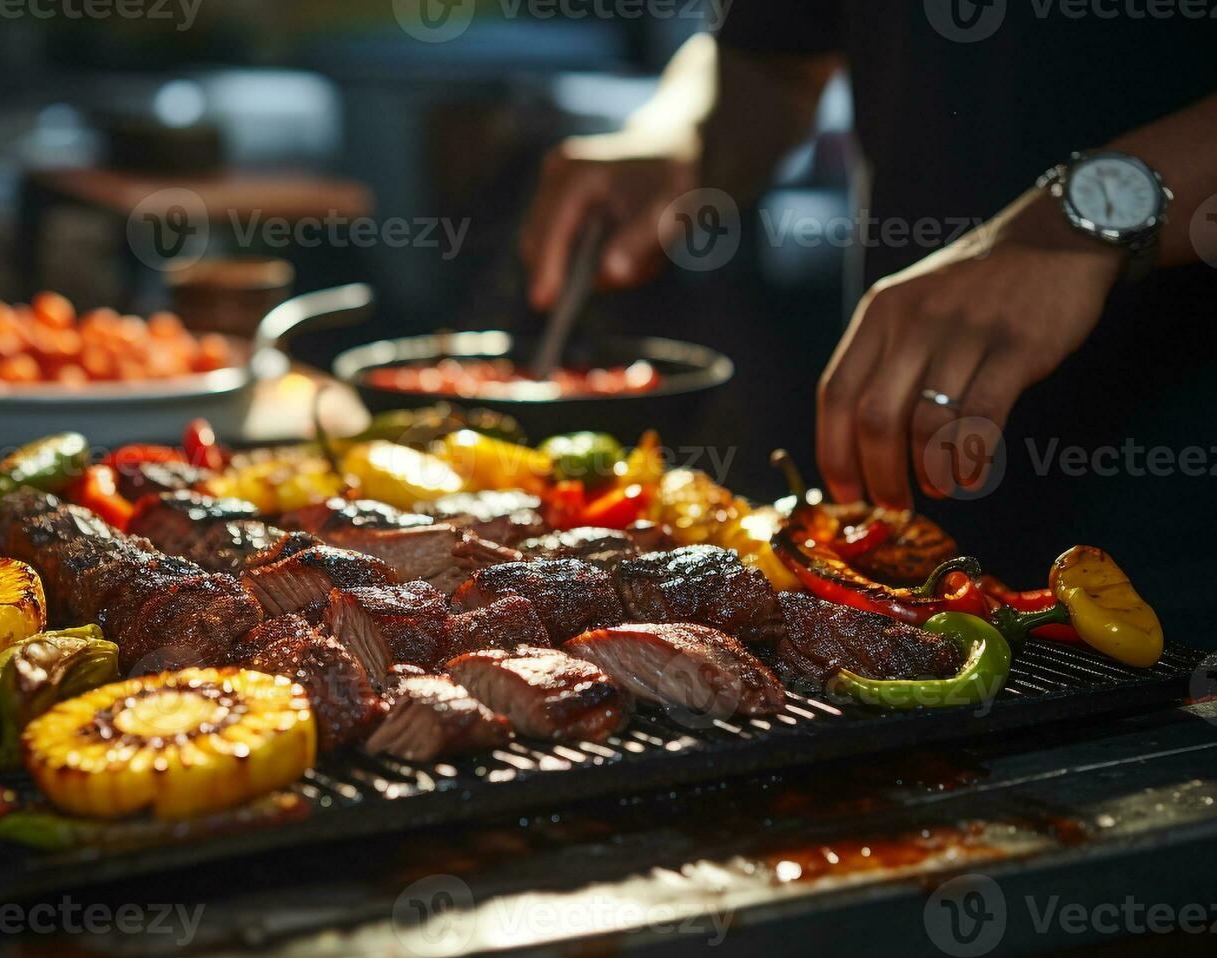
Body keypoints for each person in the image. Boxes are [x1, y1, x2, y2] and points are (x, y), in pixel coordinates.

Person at [520, 7, 1217, 642]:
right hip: (916, 523)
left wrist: (1087, 218)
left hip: (1180, 511)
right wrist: (678, 139)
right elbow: (770, 56)